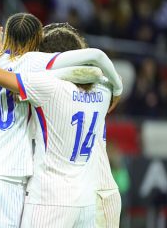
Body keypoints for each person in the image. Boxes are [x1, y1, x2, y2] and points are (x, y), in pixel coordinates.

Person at [0, 13, 122, 228]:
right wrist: (118, 86)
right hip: (94, 191)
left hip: (28, 188)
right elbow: (97, 64)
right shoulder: (104, 88)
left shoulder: (40, 85)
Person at [39, 22, 122, 228]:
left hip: (87, 192)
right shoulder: (102, 88)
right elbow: (116, 85)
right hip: (100, 191)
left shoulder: (51, 91)